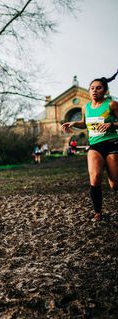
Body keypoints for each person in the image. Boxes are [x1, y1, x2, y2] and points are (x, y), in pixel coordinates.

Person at [62, 69, 118, 222]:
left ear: (105, 90)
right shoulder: (85, 107)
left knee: (114, 185)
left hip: (113, 143)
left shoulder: (112, 104)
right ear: (89, 90)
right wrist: (75, 123)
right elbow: (85, 124)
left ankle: (111, 173)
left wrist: (111, 124)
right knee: (95, 176)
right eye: (92, 88)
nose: (94, 90)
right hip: (95, 146)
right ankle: (98, 212)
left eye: (98, 88)